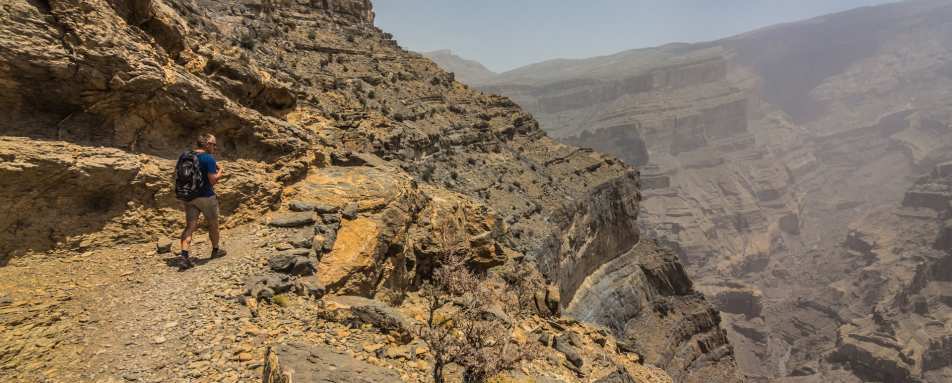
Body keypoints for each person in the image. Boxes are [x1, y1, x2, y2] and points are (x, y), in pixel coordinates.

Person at [180, 133, 227, 269]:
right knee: (213, 224)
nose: (215, 147)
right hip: (206, 197)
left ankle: (184, 256)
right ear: (206, 144)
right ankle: (215, 250)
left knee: (190, 226)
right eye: (213, 144)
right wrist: (221, 171)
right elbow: (213, 180)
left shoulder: (185, 156)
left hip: (189, 197)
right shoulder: (208, 158)